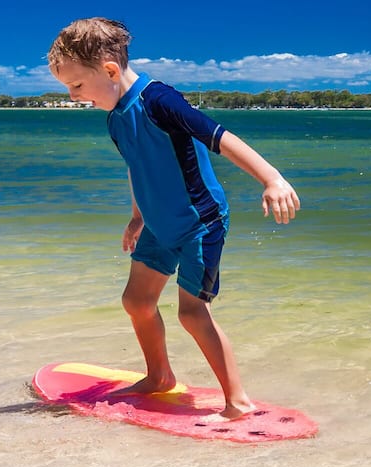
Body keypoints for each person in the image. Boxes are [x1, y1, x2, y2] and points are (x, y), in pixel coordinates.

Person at [46, 17, 301, 421]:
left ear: (110, 70)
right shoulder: (115, 117)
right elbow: (137, 165)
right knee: (136, 301)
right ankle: (159, 376)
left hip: (200, 222)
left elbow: (219, 137)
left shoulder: (159, 100)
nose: (74, 96)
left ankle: (238, 403)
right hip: (157, 224)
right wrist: (136, 216)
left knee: (192, 313)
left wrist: (272, 178)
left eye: (76, 85)